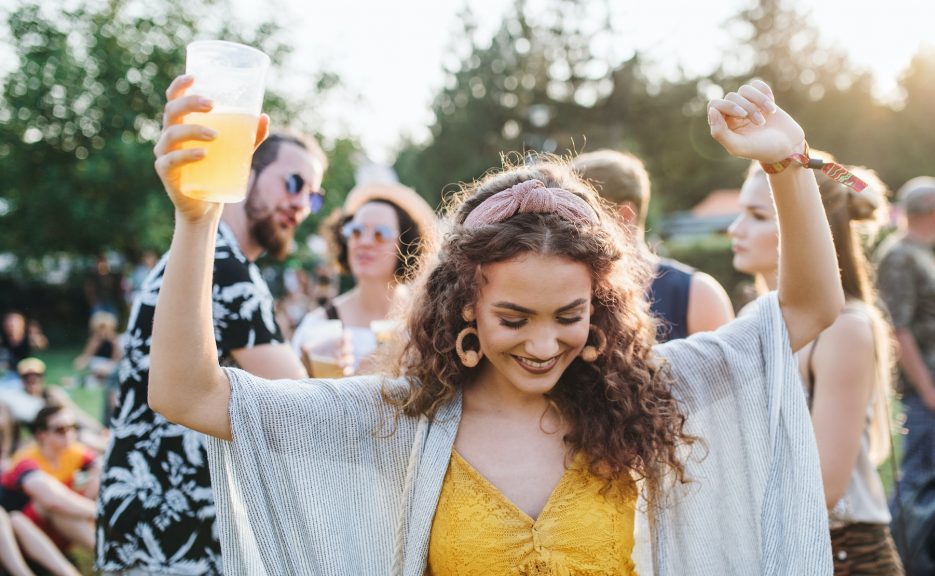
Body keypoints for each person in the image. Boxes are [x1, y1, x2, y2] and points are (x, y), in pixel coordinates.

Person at [148, 76, 843, 574]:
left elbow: (809, 309)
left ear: (598, 311)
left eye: (569, 316)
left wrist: (788, 161)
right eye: (514, 317)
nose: (545, 345)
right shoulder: (401, 421)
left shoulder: (644, 395)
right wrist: (197, 217)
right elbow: (188, 395)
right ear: (464, 309)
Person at [95, 111, 328, 573]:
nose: (301, 204)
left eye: (314, 196)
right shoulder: (225, 266)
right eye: (294, 182)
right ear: (247, 172)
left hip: (146, 513)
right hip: (169, 523)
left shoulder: (215, 257)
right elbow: (301, 404)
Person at [729, 157, 904, 574]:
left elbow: (825, 484)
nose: (736, 230)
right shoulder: (754, 315)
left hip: (844, 551)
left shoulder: (845, 328)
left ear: (804, 224)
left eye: (756, 216)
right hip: (777, 544)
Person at [875, 176, 935, 495]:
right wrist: (929, 391)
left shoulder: (918, 252)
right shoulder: (900, 256)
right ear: (934, 210)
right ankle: (907, 547)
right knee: (921, 484)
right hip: (932, 393)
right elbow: (896, 327)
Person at [572, 150, 734, 340]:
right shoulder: (567, 289)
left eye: (579, 217)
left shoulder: (697, 295)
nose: (565, 227)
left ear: (624, 216)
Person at [291, 182, 438, 376]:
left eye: (380, 234)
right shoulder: (317, 328)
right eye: (356, 231)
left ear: (406, 244)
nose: (365, 242)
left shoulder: (429, 324)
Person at [1, 406, 99, 555]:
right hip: (25, 531)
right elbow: (51, 500)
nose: (68, 434)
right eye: (60, 429)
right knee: (54, 506)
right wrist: (99, 511)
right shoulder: (25, 459)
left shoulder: (75, 452)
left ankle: (113, 552)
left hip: (62, 526)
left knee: (99, 473)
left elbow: (101, 466)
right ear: (42, 435)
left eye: (72, 427)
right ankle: (109, 553)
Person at [74, 310, 123, 389]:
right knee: (94, 366)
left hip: (109, 365)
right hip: (97, 364)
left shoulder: (115, 340)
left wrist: (113, 342)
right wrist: (96, 343)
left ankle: (85, 381)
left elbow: (117, 358)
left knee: (108, 369)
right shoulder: (95, 340)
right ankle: (93, 381)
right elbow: (86, 356)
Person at [0, 311, 47, 387]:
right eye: (9, 323)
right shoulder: (3, 340)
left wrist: (37, 338)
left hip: (29, 374)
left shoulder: (29, 338)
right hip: (10, 374)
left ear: (23, 323)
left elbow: (41, 344)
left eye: (15, 323)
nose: (12, 326)